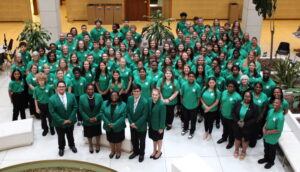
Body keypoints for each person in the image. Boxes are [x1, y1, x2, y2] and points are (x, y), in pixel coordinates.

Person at [48, 81, 78, 157]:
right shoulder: (52, 99)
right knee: (60, 136)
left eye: (63, 86)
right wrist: (62, 121)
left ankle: (72, 145)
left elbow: (75, 107)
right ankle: (61, 148)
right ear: (57, 88)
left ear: (65, 87)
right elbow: (52, 112)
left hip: (70, 121)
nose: (61, 88)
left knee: (70, 134)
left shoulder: (71, 96)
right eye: (60, 86)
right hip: (59, 123)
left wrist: (71, 118)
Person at [258, 99, 284, 169]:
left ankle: (271, 162)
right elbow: (267, 120)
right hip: (266, 133)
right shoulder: (271, 111)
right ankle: (266, 158)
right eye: (274, 102)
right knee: (266, 147)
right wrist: (263, 127)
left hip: (273, 136)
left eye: (277, 103)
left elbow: (279, 130)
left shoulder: (281, 117)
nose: (274, 104)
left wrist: (269, 132)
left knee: (272, 150)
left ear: (280, 105)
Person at [232, 91, 258, 160]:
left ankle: (243, 152)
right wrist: (237, 121)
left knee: (245, 140)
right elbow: (233, 113)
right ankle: (236, 150)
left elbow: (254, 119)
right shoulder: (238, 103)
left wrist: (245, 123)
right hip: (237, 125)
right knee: (237, 138)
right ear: (243, 96)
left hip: (247, 127)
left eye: (249, 97)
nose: (247, 98)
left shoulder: (254, 106)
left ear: (251, 97)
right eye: (245, 96)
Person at [126, 84, 149, 162]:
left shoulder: (145, 102)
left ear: (140, 91)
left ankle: (141, 154)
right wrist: (131, 122)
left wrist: (136, 124)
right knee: (134, 140)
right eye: (134, 91)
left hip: (141, 126)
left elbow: (144, 116)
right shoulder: (129, 99)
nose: (136, 93)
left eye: (137, 91)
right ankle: (136, 152)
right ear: (132, 92)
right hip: (132, 125)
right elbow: (128, 112)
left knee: (142, 141)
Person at [101, 91, 126, 159]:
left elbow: (123, 116)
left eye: (115, 95)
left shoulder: (123, 104)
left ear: (118, 96)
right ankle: (113, 151)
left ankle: (118, 151)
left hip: (119, 126)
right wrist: (108, 123)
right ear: (110, 96)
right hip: (108, 126)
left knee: (118, 140)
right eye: (112, 95)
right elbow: (102, 113)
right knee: (110, 139)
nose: (114, 97)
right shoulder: (104, 103)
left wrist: (115, 124)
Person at [79, 84, 103, 154]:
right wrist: (87, 118)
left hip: (97, 119)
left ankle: (98, 144)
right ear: (86, 90)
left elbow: (101, 108)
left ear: (94, 89)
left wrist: (96, 117)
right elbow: (81, 109)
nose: (90, 91)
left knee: (97, 133)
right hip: (87, 120)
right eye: (88, 89)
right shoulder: (81, 97)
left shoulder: (99, 96)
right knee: (89, 134)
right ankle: (91, 145)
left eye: (92, 89)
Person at [217, 80, 241, 149]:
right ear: (227, 87)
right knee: (225, 128)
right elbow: (222, 101)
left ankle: (230, 142)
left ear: (235, 88)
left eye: (232, 87)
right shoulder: (224, 92)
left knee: (231, 131)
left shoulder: (238, 97)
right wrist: (220, 108)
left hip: (231, 118)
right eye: (229, 86)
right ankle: (224, 138)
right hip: (223, 115)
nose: (230, 88)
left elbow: (238, 109)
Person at [181, 72, 201, 139]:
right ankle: (185, 129)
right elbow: (181, 94)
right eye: (190, 76)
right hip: (185, 105)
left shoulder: (197, 86)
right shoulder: (184, 85)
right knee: (185, 118)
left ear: (194, 77)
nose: (191, 77)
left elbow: (198, 97)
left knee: (193, 120)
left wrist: (197, 105)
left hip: (194, 106)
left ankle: (192, 131)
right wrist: (182, 102)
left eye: (192, 76)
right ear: (188, 77)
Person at [148, 89, 166, 160]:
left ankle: (159, 152)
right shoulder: (149, 100)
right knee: (154, 139)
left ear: (159, 95)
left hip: (158, 126)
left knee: (159, 139)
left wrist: (161, 128)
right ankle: (154, 151)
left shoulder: (162, 104)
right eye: (153, 94)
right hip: (151, 124)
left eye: (156, 95)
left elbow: (163, 117)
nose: (154, 96)